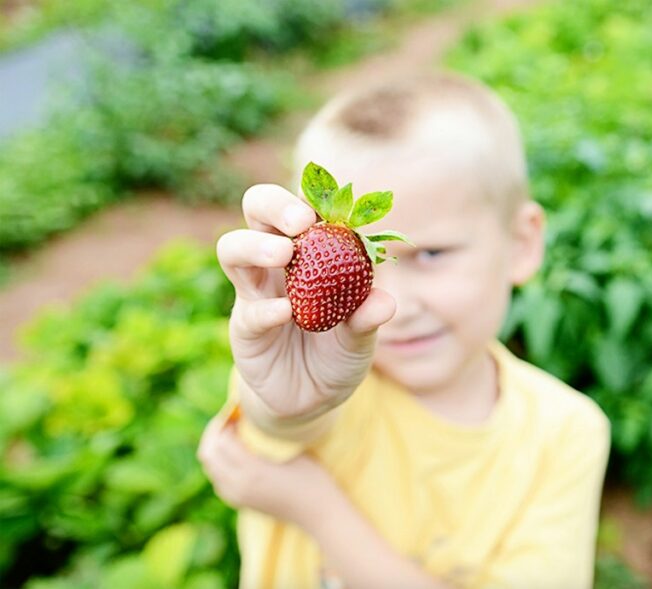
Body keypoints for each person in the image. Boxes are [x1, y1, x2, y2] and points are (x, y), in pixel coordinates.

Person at [197, 71, 611, 589]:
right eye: (367, 258)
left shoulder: (564, 433)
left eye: (432, 254)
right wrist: (287, 403)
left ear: (522, 243)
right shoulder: (329, 385)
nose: (393, 304)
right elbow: (277, 418)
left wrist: (316, 508)